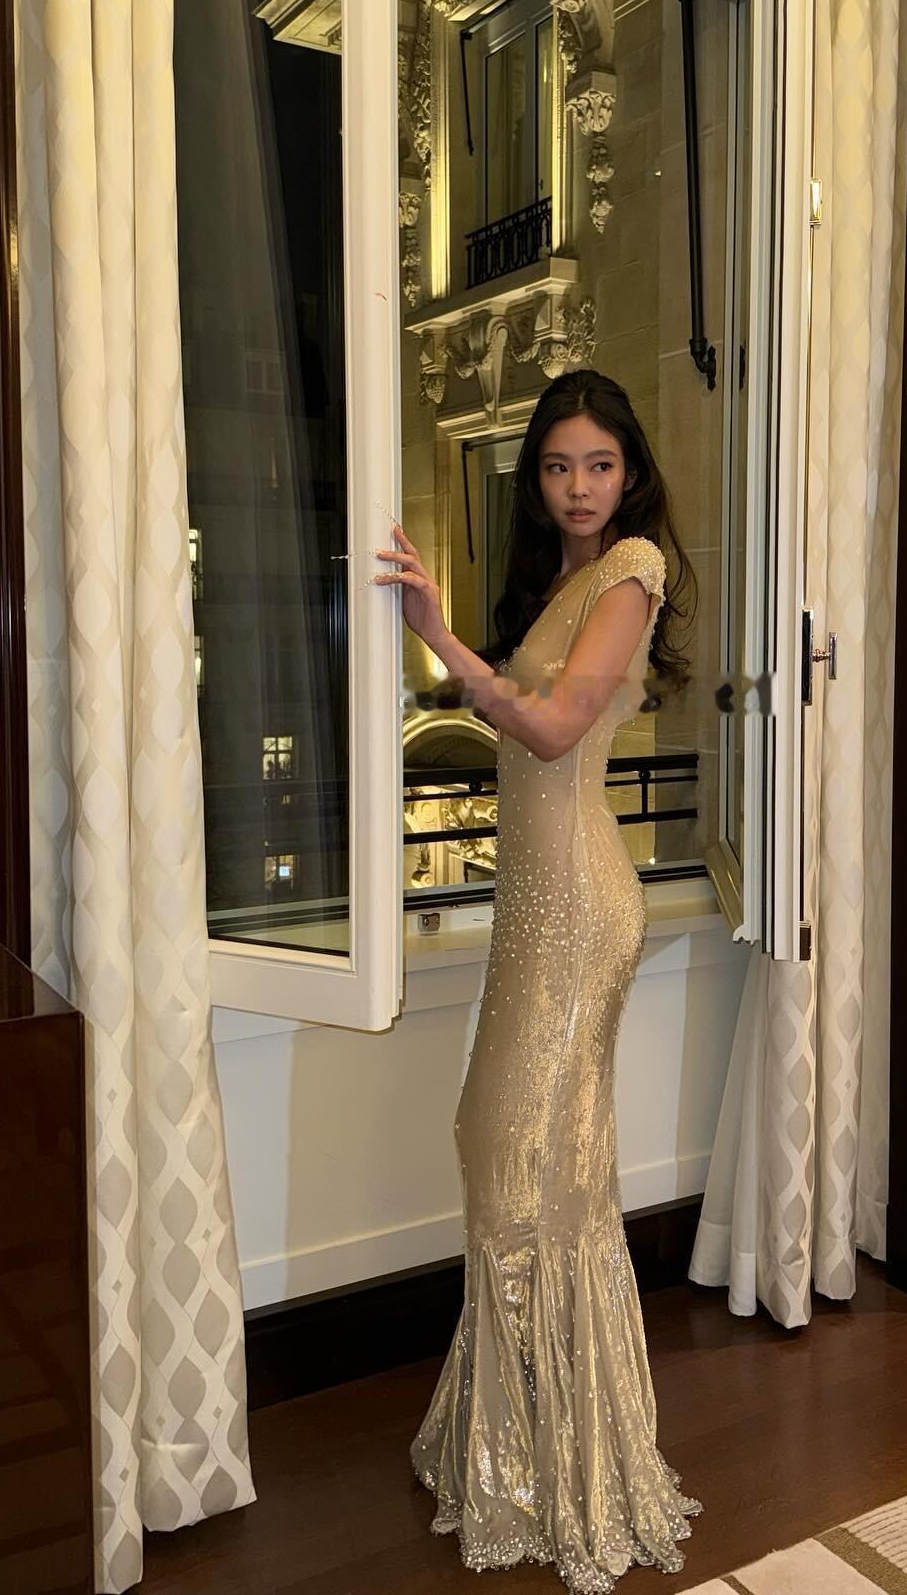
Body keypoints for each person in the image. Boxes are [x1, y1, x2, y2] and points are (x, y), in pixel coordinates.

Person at [373, 368, 702, 1591]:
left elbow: (556, 727)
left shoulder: (632, 572)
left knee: (533, 1172)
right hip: (535, 913)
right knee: (501, 1145)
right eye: (559, 467)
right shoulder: (567, 580)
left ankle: (568, 1461)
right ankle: (511, 1440)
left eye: (599, 465)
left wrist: (438, 635)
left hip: (580, 914)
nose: (579, 487)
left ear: (630, 473)